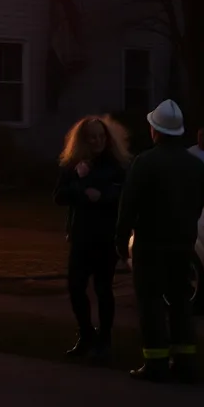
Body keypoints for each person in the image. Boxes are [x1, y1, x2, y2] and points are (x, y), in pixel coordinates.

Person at [116, 98, 204, 384]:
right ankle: (185, 362)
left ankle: (155, 362)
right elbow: (199, 204)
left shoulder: (144, 163)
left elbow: (128, 205)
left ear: (155, 131)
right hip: (183, 246)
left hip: (150, 246)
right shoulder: (196, 166)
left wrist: (121, 239)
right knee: (181, 302)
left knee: (151, 303)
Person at [54, 115, 131, 362]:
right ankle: (86, 334)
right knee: (75, 286)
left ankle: (104, 340)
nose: (97, 141)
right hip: (81, 235)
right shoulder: (74, 164)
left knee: (103, 288)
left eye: (100, 136)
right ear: (83, 140)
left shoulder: (116, 164)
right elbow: (59, 195)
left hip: (105, 237)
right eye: (92, 138)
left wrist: (103, 195)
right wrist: (80, 184)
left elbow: (124, 194)